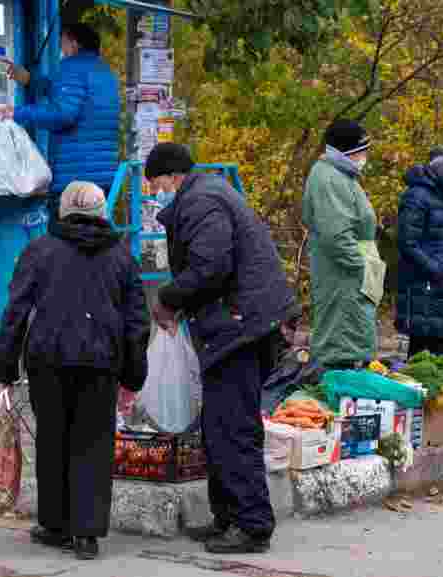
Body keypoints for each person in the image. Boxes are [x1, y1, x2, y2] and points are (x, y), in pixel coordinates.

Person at [145, 143, 296, 554]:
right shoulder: (207, 194)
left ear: (170, 175)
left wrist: (169, 298)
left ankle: (251, 525)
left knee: (233, 427)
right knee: (218, 426)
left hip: (239, 328)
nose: (156, 192)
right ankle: (227, 517)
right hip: (240, 324)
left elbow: (210, 267)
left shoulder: (201, 201)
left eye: (156, 183)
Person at [0, 181, 149, 560]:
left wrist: (5, 367)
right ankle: (87, 534)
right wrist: (133, 375)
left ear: (61, 211)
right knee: (93, 443)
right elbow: (136, 321)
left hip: (49, 359)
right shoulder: (121, 256)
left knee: (52, 441)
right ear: (101, 212)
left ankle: (56, 525)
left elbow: (15, 311)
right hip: (101, 362)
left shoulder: (40, 250)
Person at [0, 22, 121, 234]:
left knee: (65, 248)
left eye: (62, 42)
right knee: (95, 245)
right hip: (103, 177)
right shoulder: (104, 72)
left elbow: (64, 114)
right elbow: (67, 94)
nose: (61, 48)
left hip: (74, 179)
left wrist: (18, 113)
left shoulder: (71, 67)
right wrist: (28, 79)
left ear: (73, 44)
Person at [302, 119, 385, 370]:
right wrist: (363, 269)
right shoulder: (329, 179)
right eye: (362, 151)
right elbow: (336, 237)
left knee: (349, 344)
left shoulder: (341, 176)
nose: (365, 156)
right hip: (344, 278)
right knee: (340, 348)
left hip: (349, 277)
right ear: (347, 152)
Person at [395, 146, 443, 359]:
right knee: (421, 349)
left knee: (438, 348)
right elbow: (407, 242)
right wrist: (434, 269)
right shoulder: (417, 196)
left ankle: (439, 391)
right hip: (423, 284)